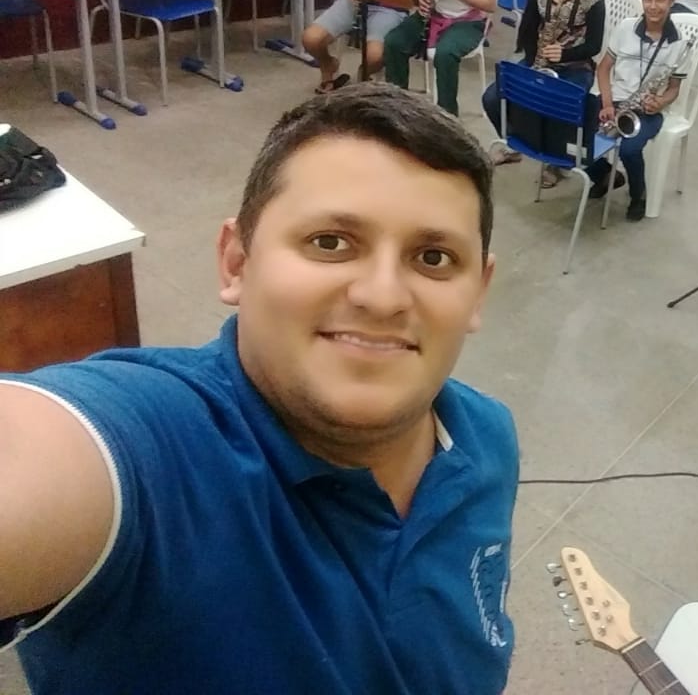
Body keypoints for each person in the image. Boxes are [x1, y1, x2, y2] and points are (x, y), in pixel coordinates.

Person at [0, 85, 517, 694]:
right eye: (330, 243)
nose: (382, 297)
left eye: (433, 258)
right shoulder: (156, 448)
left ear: (477, 292)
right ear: (237, 263)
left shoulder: (487, 437)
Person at [483, 0, 605, 183]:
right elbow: (530, 23)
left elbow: (594, 45)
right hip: (537, 60)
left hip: (574, 68)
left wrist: (564, 54)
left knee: (558, 109)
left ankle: (555, 162)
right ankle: (518, 143)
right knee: (493, 98)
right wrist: (531, 61)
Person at [585, 0, 693, 221]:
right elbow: (603, 68)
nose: (653, 6)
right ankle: (605, 175)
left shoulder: (680, 42)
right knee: (577, 130)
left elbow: (674, 88)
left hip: (647, 109)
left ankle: (638, 195)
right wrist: (607, 103)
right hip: (615, 100)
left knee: (630, 149)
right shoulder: (626, 27)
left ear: (672, 1)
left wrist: (660, 102)